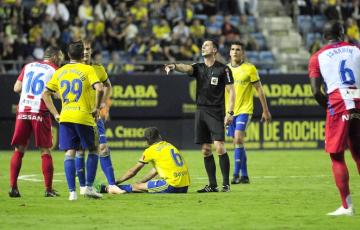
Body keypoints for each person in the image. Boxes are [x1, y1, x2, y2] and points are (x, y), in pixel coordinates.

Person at [165, 39, 235, 192]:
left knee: (219, 147)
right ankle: (212, 185)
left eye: (207, 45)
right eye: (203, 45)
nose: (204, 47)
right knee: (205, 150)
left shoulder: (224, 69)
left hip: (217, 111)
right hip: (201, 111)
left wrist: (230, 113)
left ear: (215, 50)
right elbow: (187, 68)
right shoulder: (199, 67)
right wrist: (174, 66)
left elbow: (231, 92)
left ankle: (226, 184)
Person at [308, 20, 360, 216]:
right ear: (343, 33)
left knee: (336, 154)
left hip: (338, 101)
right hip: (358, 98)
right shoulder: (356, 49)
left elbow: (315, 91)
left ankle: (347, 207)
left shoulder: (317, 57)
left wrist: (329, 107)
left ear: (324, 37)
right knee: (358, 151)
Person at [42, 41, 104, 200]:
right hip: (83, 116)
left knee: (70, 152)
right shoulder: (88, 69)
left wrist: (56, 114)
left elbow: (46, 94)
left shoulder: (60, 71)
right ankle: (88, 188)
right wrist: (97, 108)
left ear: (68, 55)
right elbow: (100, 88)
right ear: (81, 53)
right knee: (93, 149)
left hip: (66, 116)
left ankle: (72, 193)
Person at [9, 46, 64, 198]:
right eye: (60, 57)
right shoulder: (55, 70)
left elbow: (16, 88)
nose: (61, 60)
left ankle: (13, 188)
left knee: (19, 150)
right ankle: (48, 189)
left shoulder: (28, 66)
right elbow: (58, 95)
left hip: (24, 110)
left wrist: (29, 94)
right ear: (54, 57)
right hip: (40, 111)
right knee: (45, 150)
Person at [75, 39, 125, 195]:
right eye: (82, 49)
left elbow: (108, 86)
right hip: (78, 115)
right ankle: (83, 187)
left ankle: (112, 185)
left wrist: (104, 104)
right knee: (80, 150)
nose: (85, 52)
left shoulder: (98, 68)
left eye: (88, 49)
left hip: (95, 115)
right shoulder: (71, 69)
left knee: (103, 148)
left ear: (91, 50)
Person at [226, 41, 271, 184]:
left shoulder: (250, 68)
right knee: (237, 143)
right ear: (229, 52)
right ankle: (245, 175)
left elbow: (259, 90)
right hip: (230, 112)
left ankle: (235, 175)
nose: (235, 52)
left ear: (243, 53)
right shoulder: (225, 70)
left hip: (245, 109)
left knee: (238, 139)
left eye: (238, 49)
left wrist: (265, 110)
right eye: (232, 49)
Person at [96, 127, 190, 194]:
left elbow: (133, 172)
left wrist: (116, 182)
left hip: (172, 186)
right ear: (159, 136)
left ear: (147, 141)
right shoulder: (169, 145)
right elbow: (155, 170)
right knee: (140, 186)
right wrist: (142, 182)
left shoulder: (150, 150)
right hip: (184, 186)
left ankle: (108, 188)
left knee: (136, 187)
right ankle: (112, 188)